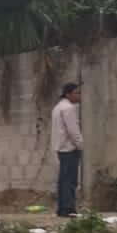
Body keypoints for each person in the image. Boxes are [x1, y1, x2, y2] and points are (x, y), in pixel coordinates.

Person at [50, 82, 84, 217]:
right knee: (69, 180)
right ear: (68, 94)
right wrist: (80, 144)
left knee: (64, 179)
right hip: (69, 148)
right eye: (77, 93)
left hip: (61, 147)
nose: (79, 96)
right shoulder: (68, 108)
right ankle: (68, 208)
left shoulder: (58, 107)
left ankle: (63, 207)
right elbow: (73, 130)